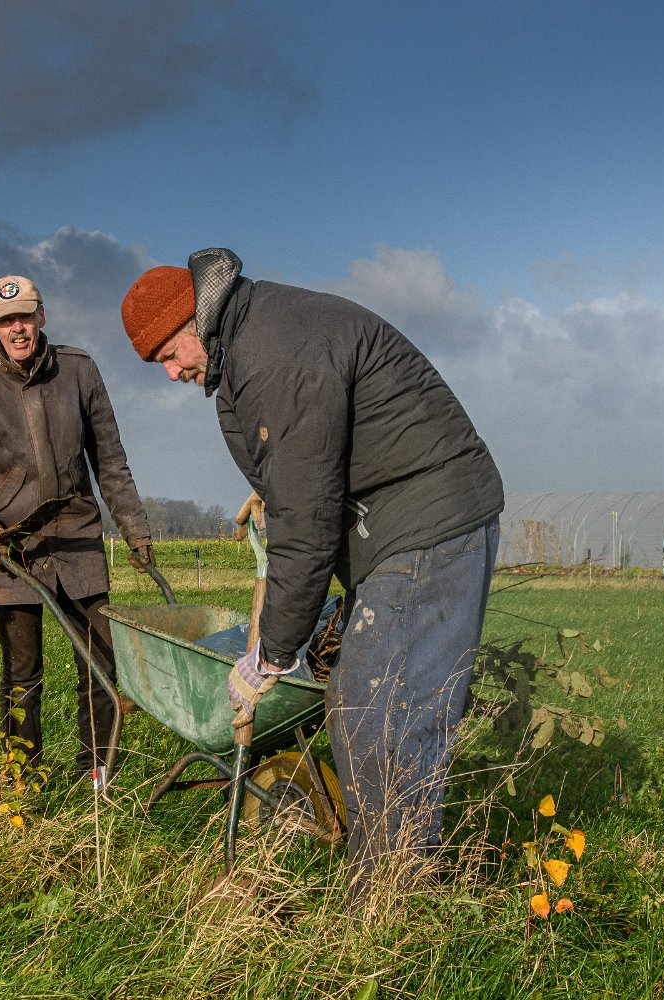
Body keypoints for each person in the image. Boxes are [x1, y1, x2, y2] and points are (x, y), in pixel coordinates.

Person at [120, 249, 503, 912]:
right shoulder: (248, 347)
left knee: (381, 716)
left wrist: (272, 650)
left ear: (192, 321)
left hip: (428, 524)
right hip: (390, 528)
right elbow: (293, 484)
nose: (173, 373)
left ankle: (394, 907)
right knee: (360, 707)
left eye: (167, 355)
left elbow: (308, 511)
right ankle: (388, 885)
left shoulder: (272, 348)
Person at [0, 274, 154, 786]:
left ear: (42, 317)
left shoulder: (79, 370)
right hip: (10, 548)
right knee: (22, 675)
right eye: (7, 320)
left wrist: (135, 529)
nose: (18, 328)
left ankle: (94, 774)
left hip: (77, 538)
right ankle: (21, 779)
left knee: (100, 665)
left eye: (25, 317)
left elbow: (110, 461)